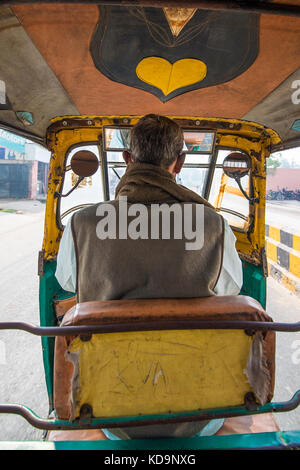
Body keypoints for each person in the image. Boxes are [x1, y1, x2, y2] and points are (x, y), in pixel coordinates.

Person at [55, 114, 243, 439]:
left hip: (111, 412)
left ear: (128, 160)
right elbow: (231, 289)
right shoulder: (215, 226)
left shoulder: (81, 225)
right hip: (201, 411)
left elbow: (68, 283)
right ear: (180, 163)